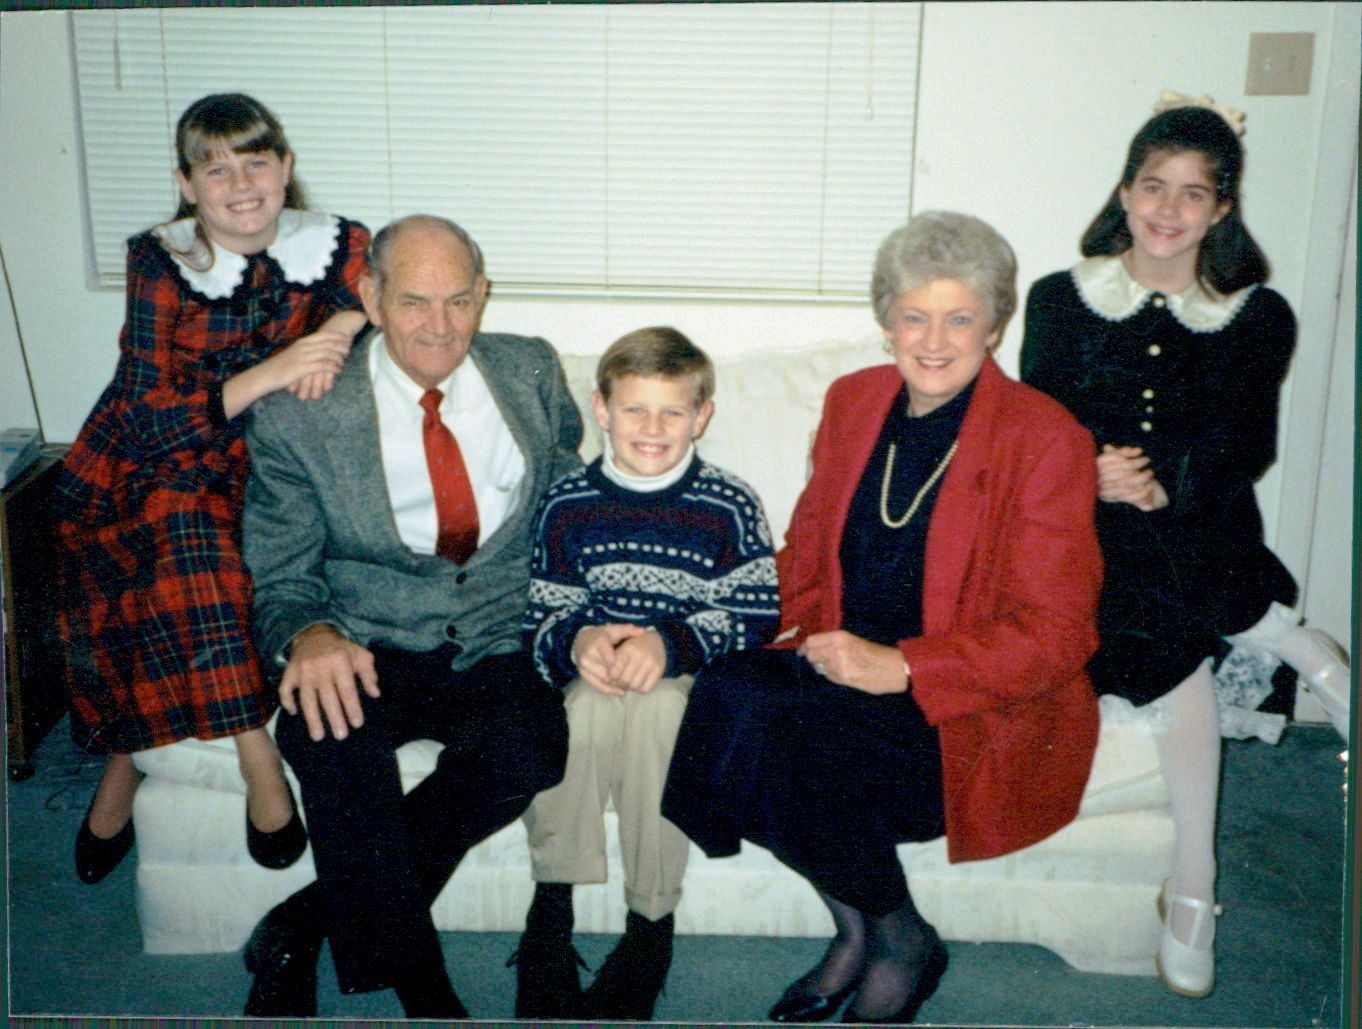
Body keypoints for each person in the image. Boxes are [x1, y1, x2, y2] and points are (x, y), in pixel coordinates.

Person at [661, 211, 1104, 1024]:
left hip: (964, 708)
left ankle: (902, 941)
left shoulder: (1045, 438)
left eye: (959, 318)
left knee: (800, 752)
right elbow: (805, 554)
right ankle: (862, 929)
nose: (933, 340)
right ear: (887, 320)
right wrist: (711, 625)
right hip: (842, 666)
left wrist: (903, 666)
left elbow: (1059, 632)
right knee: (727, 696)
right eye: (913, 315)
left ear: (995, 325)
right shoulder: (855, 400)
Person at [1020, 99, 1351, 1000]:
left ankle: (1194, 887)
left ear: (1221, 209)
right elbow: (1038, 424)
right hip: (1088, 525)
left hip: (1203, 519)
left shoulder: (1256, 313)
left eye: (1193, 193)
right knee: (1135, 583)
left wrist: (1163, 481)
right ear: (1124, 193)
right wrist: (1089, 469)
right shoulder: (1059, 297)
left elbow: (1249, 442)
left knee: (1159, 598)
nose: (1169, 210)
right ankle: (1294, 642)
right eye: (1153, 187)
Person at [238, 213, 582, 1018]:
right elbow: (280, 569)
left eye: (459, 300)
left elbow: (573, 498)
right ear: (371, 299)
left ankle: (303, 923)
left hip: (495, 636)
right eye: (415, 302)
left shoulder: (530, 370)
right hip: (365, 637)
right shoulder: (299, 412)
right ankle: (424, 987)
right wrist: (309, 633)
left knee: (531, 745)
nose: (440, 325)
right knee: (329, 735)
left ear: (483, 294)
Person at [54, 93, 369, 886]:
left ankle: (125, 764)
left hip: (257, 461)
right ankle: (259, 758)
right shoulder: (161, 259)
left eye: (256, 162)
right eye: (216, 170)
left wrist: (333, 335)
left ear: (285, 168)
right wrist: (276, 369)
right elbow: (146, 417)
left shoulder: (334, 241)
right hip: (144, 462)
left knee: (200, 551)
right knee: (188, 531)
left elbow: (366, 290)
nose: (241, 185)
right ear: (187, 185)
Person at [511, 327, 780, 1020]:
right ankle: (551, 911)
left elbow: (756, 612)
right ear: (602, 410)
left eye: (672, 411)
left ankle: (649, 924)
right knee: (582, 713)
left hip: (682, 676)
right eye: (634, 409)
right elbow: (540, 611)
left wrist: (673, 643)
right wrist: (577, 641)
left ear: (701, 416)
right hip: (593, 674)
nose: (652, 428)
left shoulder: (728, 503)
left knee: (661, 712)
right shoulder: (567, 502)